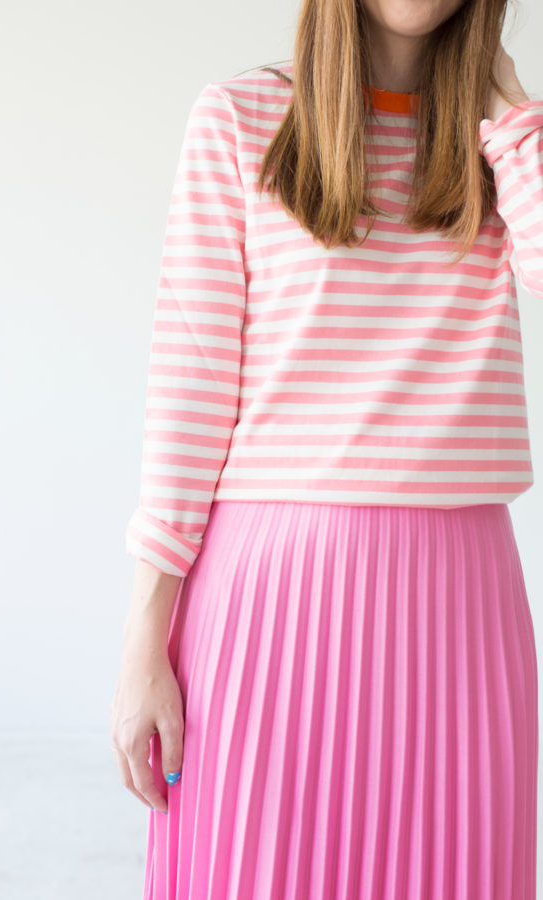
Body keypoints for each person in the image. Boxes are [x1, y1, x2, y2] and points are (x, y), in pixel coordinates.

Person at [111, 0, 542, 895]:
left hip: (460, 606)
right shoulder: (238, 120)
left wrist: (509, 113)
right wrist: (144, 638)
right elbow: (190, 388)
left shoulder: (507, 146)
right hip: (269, 605)